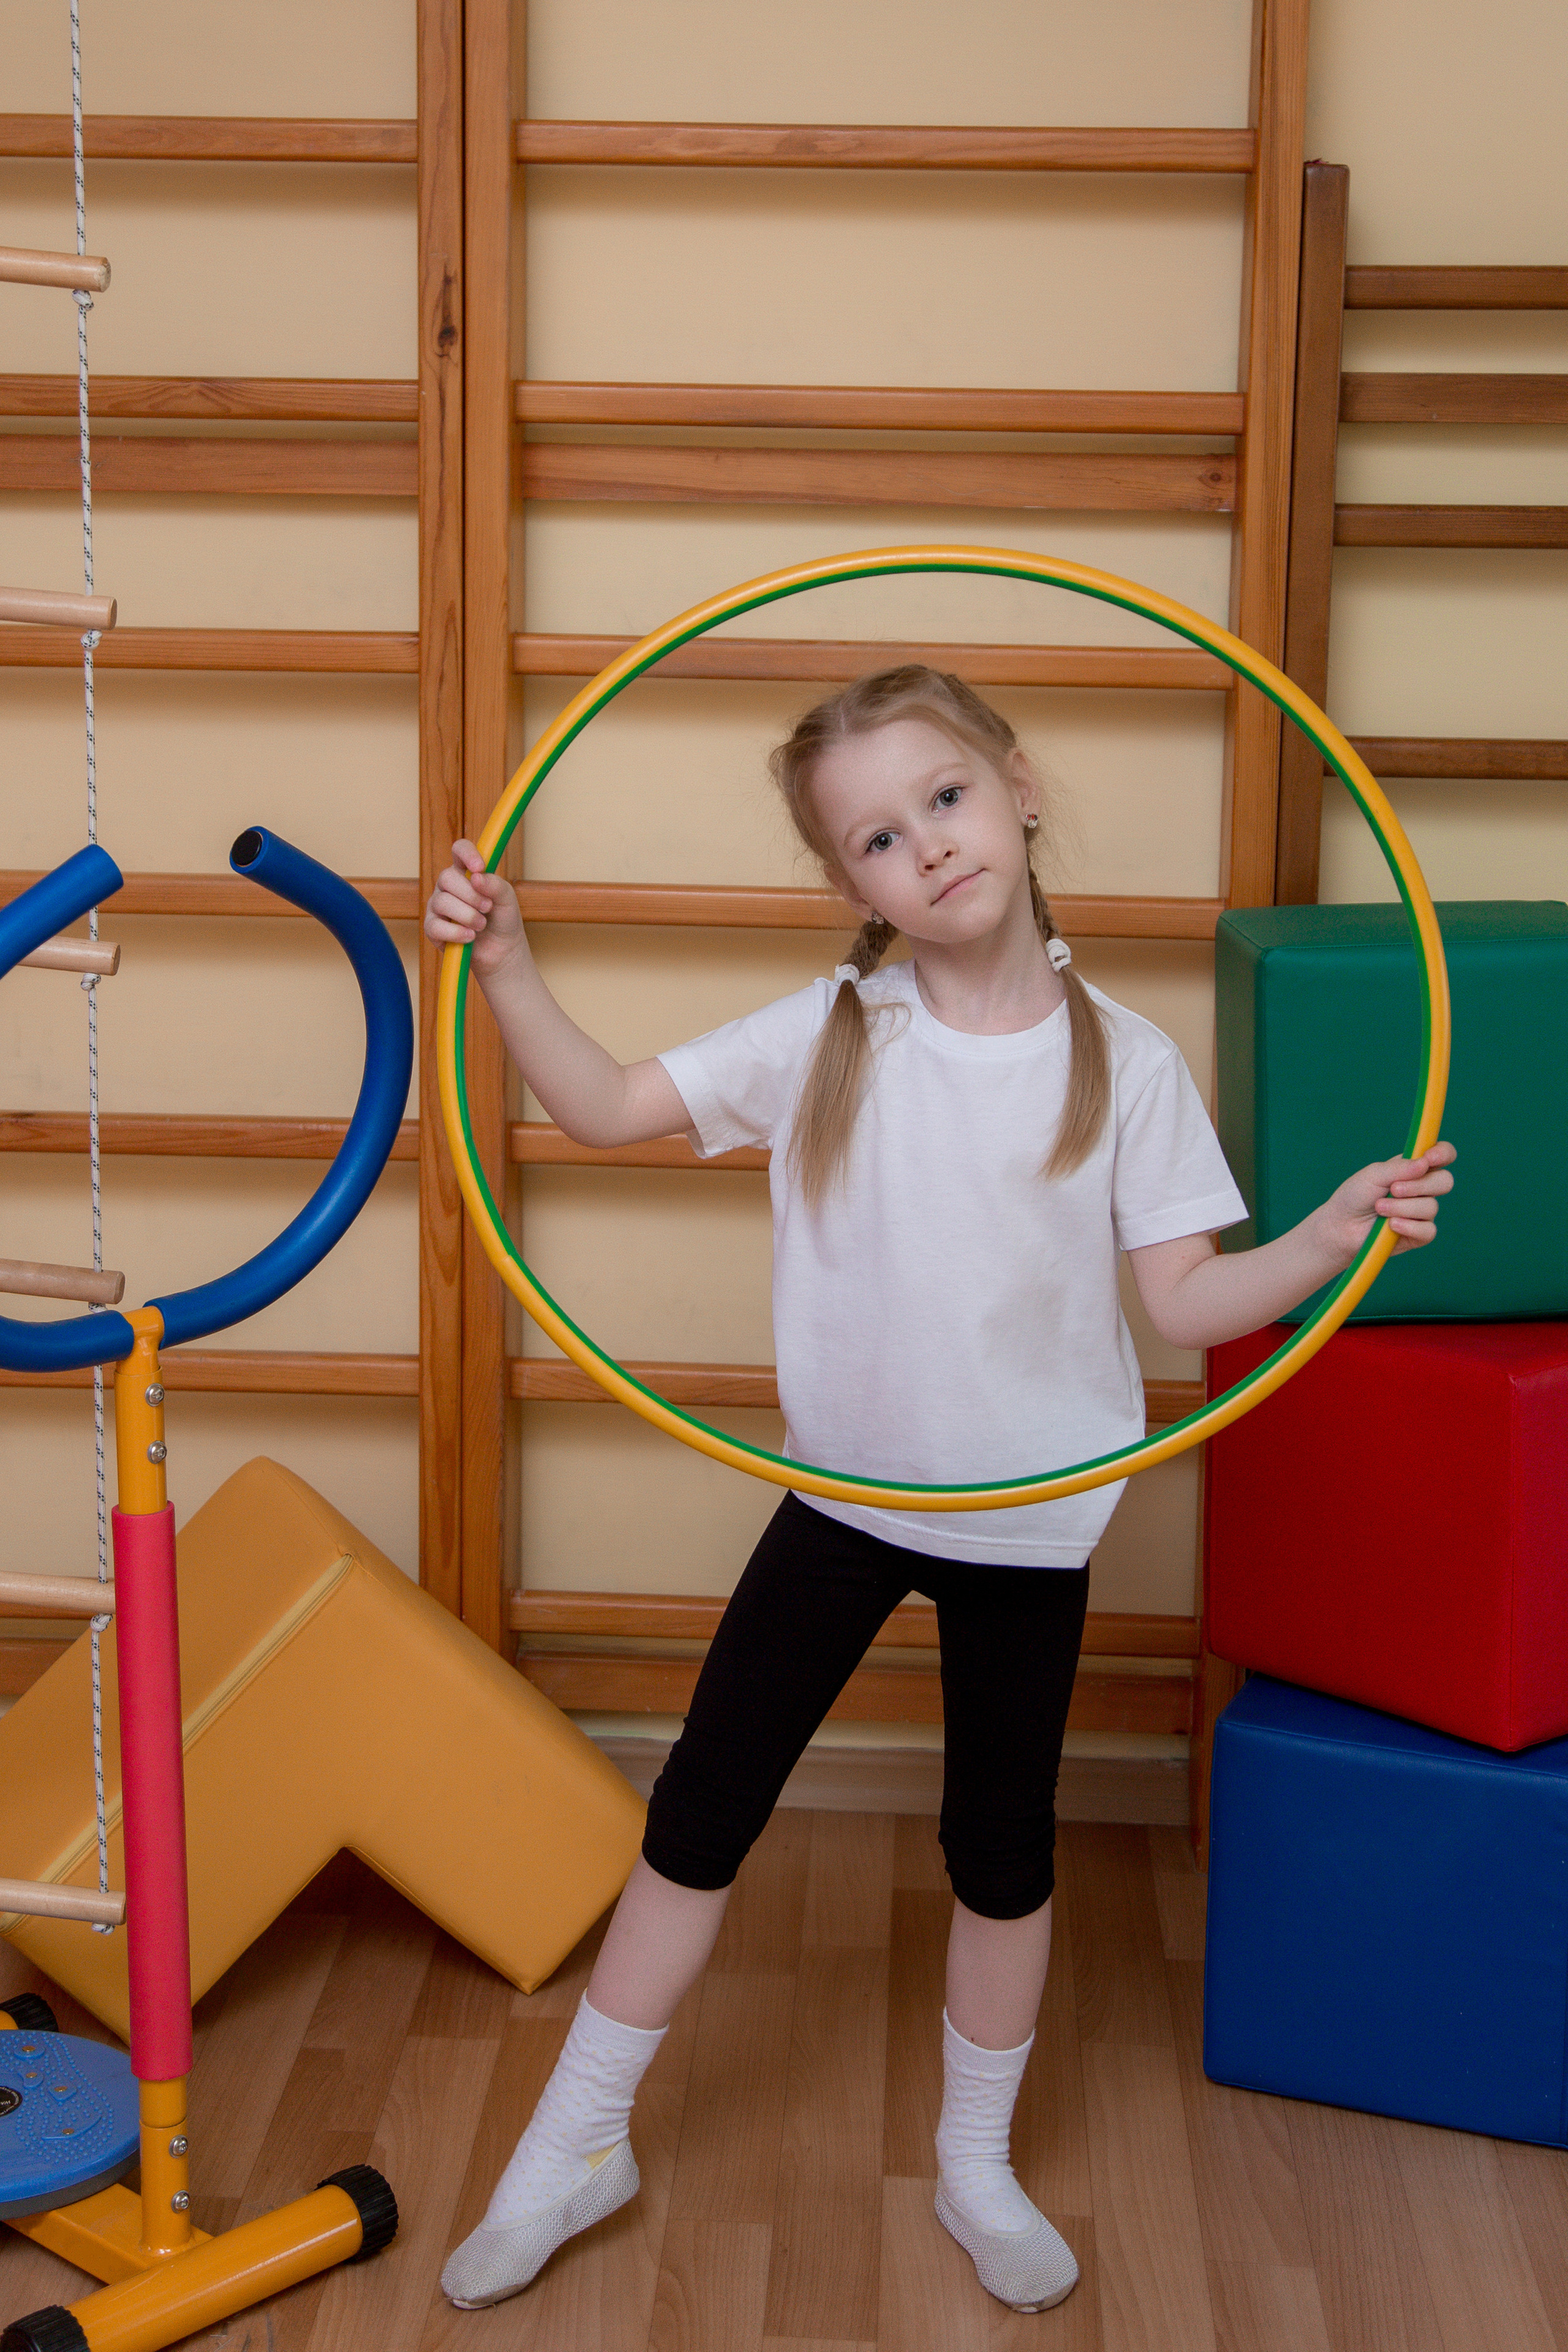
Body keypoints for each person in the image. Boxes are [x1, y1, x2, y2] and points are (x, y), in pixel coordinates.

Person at [424, 667, 1455, 2316]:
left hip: (1032, 1527)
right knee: (700, 1813)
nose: (930, 846)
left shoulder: (1128, 1065)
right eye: (880, 838)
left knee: (1001, 1849)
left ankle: (977, 2165)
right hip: (841, 1504)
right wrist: (509, 968)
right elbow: (606, 1108)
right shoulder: (836, 1036)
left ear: (1021, 790)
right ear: (854, 882)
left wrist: (1328, 1238)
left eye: (948, 799)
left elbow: (1188, 1305)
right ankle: (574, 2142)